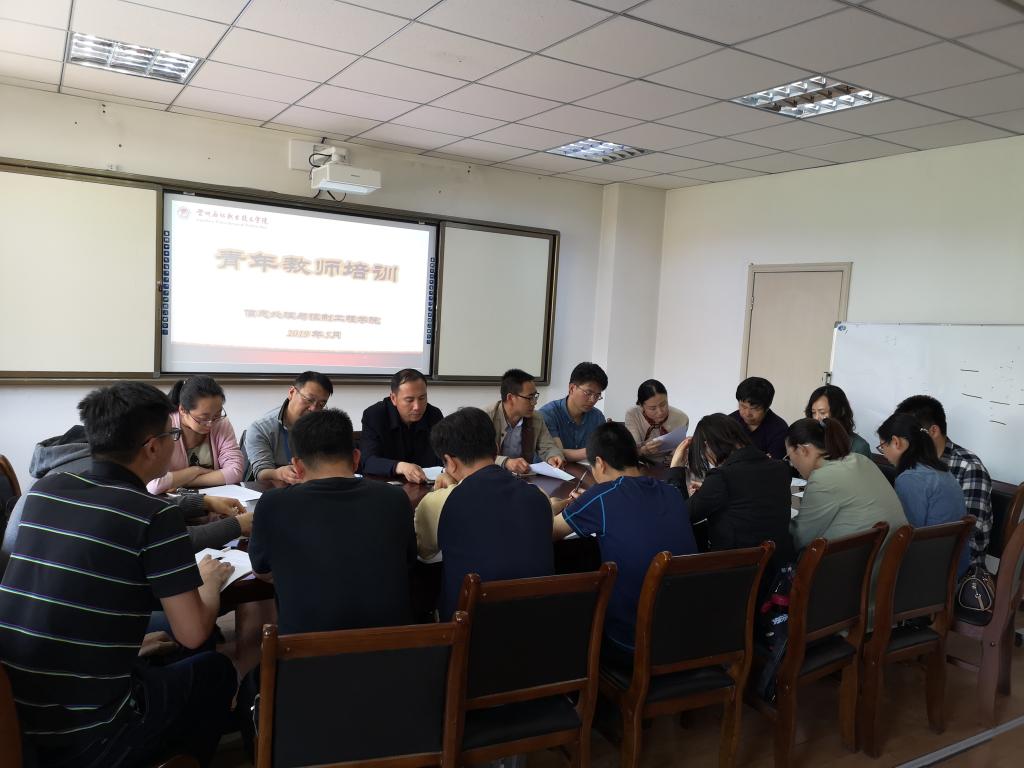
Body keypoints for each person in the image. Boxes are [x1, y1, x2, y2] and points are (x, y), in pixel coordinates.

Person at [0, 382, 236, 768]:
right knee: (214, 669)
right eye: (172, 435)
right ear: (152, 446)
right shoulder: (155, 516)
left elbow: (71, 593)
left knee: (160, 645)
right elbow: (193, 633)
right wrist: (209, 583)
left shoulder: (45, 490)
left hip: (16, 712)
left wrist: (134, 646)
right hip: (88, 736)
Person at [248, 408, 415, 635]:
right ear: (356, 458)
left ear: (297, 466)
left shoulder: (272, 504)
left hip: (304, 653)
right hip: (395, 649)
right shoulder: (395, 498)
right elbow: (407, 560)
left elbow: (261, 569)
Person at [552, 422, 695, 656]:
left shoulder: (602, 495)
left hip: (633, 642)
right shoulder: (671, 493)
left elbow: (550, 532)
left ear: (600, 463)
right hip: (686, 636)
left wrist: (550, 504)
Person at [433, 408, 553, 619]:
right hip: (537, 622)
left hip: (467, 628)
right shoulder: (538, 497)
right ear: (496, 449)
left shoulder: (441, 501)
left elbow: (425, 552)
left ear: (449, 462)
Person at [668, 413, 794, 574]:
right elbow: (750, 495)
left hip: (739, 572)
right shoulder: (781, 468)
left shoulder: (722, 477)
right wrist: (709, 490)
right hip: (778, 568)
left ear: (707, 445)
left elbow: (680, 516)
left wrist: (675, 469)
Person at [895, 395, 992, 566]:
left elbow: (967, 534)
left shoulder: (969, 467)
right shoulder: (912, 464)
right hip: (920, 553)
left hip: (957, 564)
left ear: (933, 431)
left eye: (909, 434)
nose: (902, 442)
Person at [786, 418, 907, 552]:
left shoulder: (822, 478)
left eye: (789, 457)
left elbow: (800, 539)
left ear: (802, 450)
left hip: (863, 561)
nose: (792, 464)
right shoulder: (860, 459)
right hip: (897, 555)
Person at [877, 412, 969, 576]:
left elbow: (905, 534)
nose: (883, 453)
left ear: (896, 442)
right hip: (954, 570)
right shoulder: (943, 472)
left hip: (927, 575)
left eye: (882, 447)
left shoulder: (911, 478)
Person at [147, 376, 243, 494]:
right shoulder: (166, 426)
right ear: (183, 410)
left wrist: (181, 482)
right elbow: (154, 484)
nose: (210, 423)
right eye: (203, 418)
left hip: (215, 497)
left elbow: (235, 472)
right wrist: (195, 470)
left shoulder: (221, 423)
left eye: (217, 415)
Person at [244, 370, 334, 486]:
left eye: (321, 404)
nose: (313, 408)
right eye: (309, 400)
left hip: (313, 488)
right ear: (291, 392)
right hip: (276, 490)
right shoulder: (261, 428)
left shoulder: (324, 426)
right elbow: (261, 473)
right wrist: (278, 473)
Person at [361, 368, 444, 483]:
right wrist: (400, 467)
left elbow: (444, 456)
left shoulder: (434, 415)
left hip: (427, 485)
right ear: (393, 398)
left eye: (422, 398)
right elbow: (368, 461)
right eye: (409, 400)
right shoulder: (375, 415)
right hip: (387, 486)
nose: (417, 407)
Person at [485, 368, 564, 474]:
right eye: (530, 397)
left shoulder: (536, 418)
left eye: (535, 396)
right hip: (490, 476)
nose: (534, 402)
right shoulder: (485, 418)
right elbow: (476, 455)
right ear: (510, 398)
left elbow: (548, 447)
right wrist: (506, 462)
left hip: (522, 478)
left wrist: (553, 456)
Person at [539, 361, 609, 463]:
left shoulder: (597, 416)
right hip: (550, 471)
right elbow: (557, 453)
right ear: (572, 388)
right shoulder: (548, 414)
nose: (592, 400)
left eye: (597, 395)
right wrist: (593, 451)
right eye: (588, 393)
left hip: (585, 471)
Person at [623, 379, 689, 465]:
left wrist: (676, 456)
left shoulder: (681, 418)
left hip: (669, 465)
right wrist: (643, 450)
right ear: (641, 406)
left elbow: (678, 448)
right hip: (640, 462)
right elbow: (630, 451)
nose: (660, 412)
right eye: (653, 408)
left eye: (663, 404)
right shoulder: (633, 414)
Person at [804, 384, 872, 457]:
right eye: (813, 412)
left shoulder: (859, 447)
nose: (816, 418)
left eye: (822, 412)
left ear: (841, 412)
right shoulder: (808, 440)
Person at [730, 376, 788, 459]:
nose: (747, 413)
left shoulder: (779, 429)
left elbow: (774, 464)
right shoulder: (730, 421)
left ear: (766, 408)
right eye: (743, 406)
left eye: (754, 408)